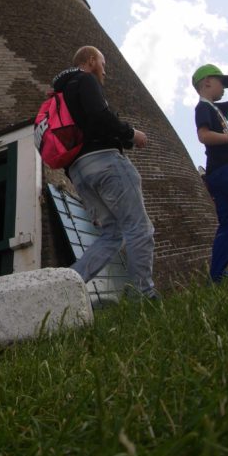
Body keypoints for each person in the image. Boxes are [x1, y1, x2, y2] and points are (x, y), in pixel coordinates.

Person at [52, 45, 157, 298]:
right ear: (90, 61)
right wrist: (132, 134)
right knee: (138, 227)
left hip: (79, 172)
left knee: (112, 234)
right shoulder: (85, 80)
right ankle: (145, 295)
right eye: (103, 64)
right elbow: (99, 117)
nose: (105, 72)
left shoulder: (59, 93)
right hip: (105, 163)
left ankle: (67, 287)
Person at [192, 63, 228, 282]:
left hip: (217, 174)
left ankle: (216, 276)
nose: (224, 88)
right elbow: (203, 136)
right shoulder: (203, 108)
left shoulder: (215, 108)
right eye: (221, 83)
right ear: (206, 83)